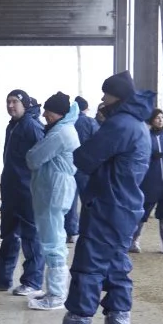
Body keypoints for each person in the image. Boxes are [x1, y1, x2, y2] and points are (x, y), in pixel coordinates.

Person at [31, 71, 152, 324]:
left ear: (117, 97)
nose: (101, 99)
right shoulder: (138, 125)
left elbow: (84, 158)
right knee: (117, 269)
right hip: (127, 205)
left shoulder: (119, 124)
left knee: (89, 268)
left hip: (107, 204)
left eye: (106, 94)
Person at [0, 89, 45, 296]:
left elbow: (42, 157)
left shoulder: (31, 126)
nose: (10, 106)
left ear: (24, 103)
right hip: (11, 189)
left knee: (30, 236)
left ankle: (33, 282)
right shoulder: (13, 126)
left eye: (14, 101)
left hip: (27, 190)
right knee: (9, 235)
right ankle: (1, 279)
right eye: (8, 102)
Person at [25, 92, 80, 311]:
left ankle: (57, 294)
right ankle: (53, 290)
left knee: (53, 241)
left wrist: (32, 154)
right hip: (54, 187)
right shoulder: (61, 129)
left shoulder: (60, 133)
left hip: (54, 190)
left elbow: (33, 158)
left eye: (48, 111)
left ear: (58, 112)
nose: (44, 115)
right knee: (52, 239)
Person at [130, 108, 163, 255]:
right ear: (151, 120)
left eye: (162, 117)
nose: (160, 120)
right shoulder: (145, 136)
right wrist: (151, 156)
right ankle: (134, 240)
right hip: (149, 182)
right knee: (143, 212)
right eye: (157, 117)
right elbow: (138, 155)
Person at [64, 96, 98, 242]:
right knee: (88, 201)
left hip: (69, 165)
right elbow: (98, 141)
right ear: (86, 108)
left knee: (70, 200)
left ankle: (71, 232)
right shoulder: (91, 122)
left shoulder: (67, 121)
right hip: (85, 167)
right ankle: (89, 230)